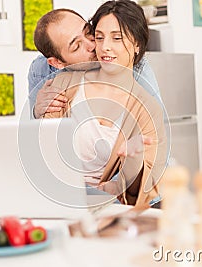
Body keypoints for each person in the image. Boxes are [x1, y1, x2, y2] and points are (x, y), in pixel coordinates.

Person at [40, 0, 167, 208]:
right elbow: (44, 155)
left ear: (136, 44)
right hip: (60, 201)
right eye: (99, 37)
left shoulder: (147, 108)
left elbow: (138, 194)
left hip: (109, 210)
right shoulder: (63, 85)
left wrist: (133, 159)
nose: (104, 46)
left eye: (117, 38)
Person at [29, 7, 162, 119]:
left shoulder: (128, 59)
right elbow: (35, 132)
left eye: (88, 32)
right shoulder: (41, 71)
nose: (92, 44)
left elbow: (157, 122)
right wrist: (37, 111)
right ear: (57, 62)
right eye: (76, 46)